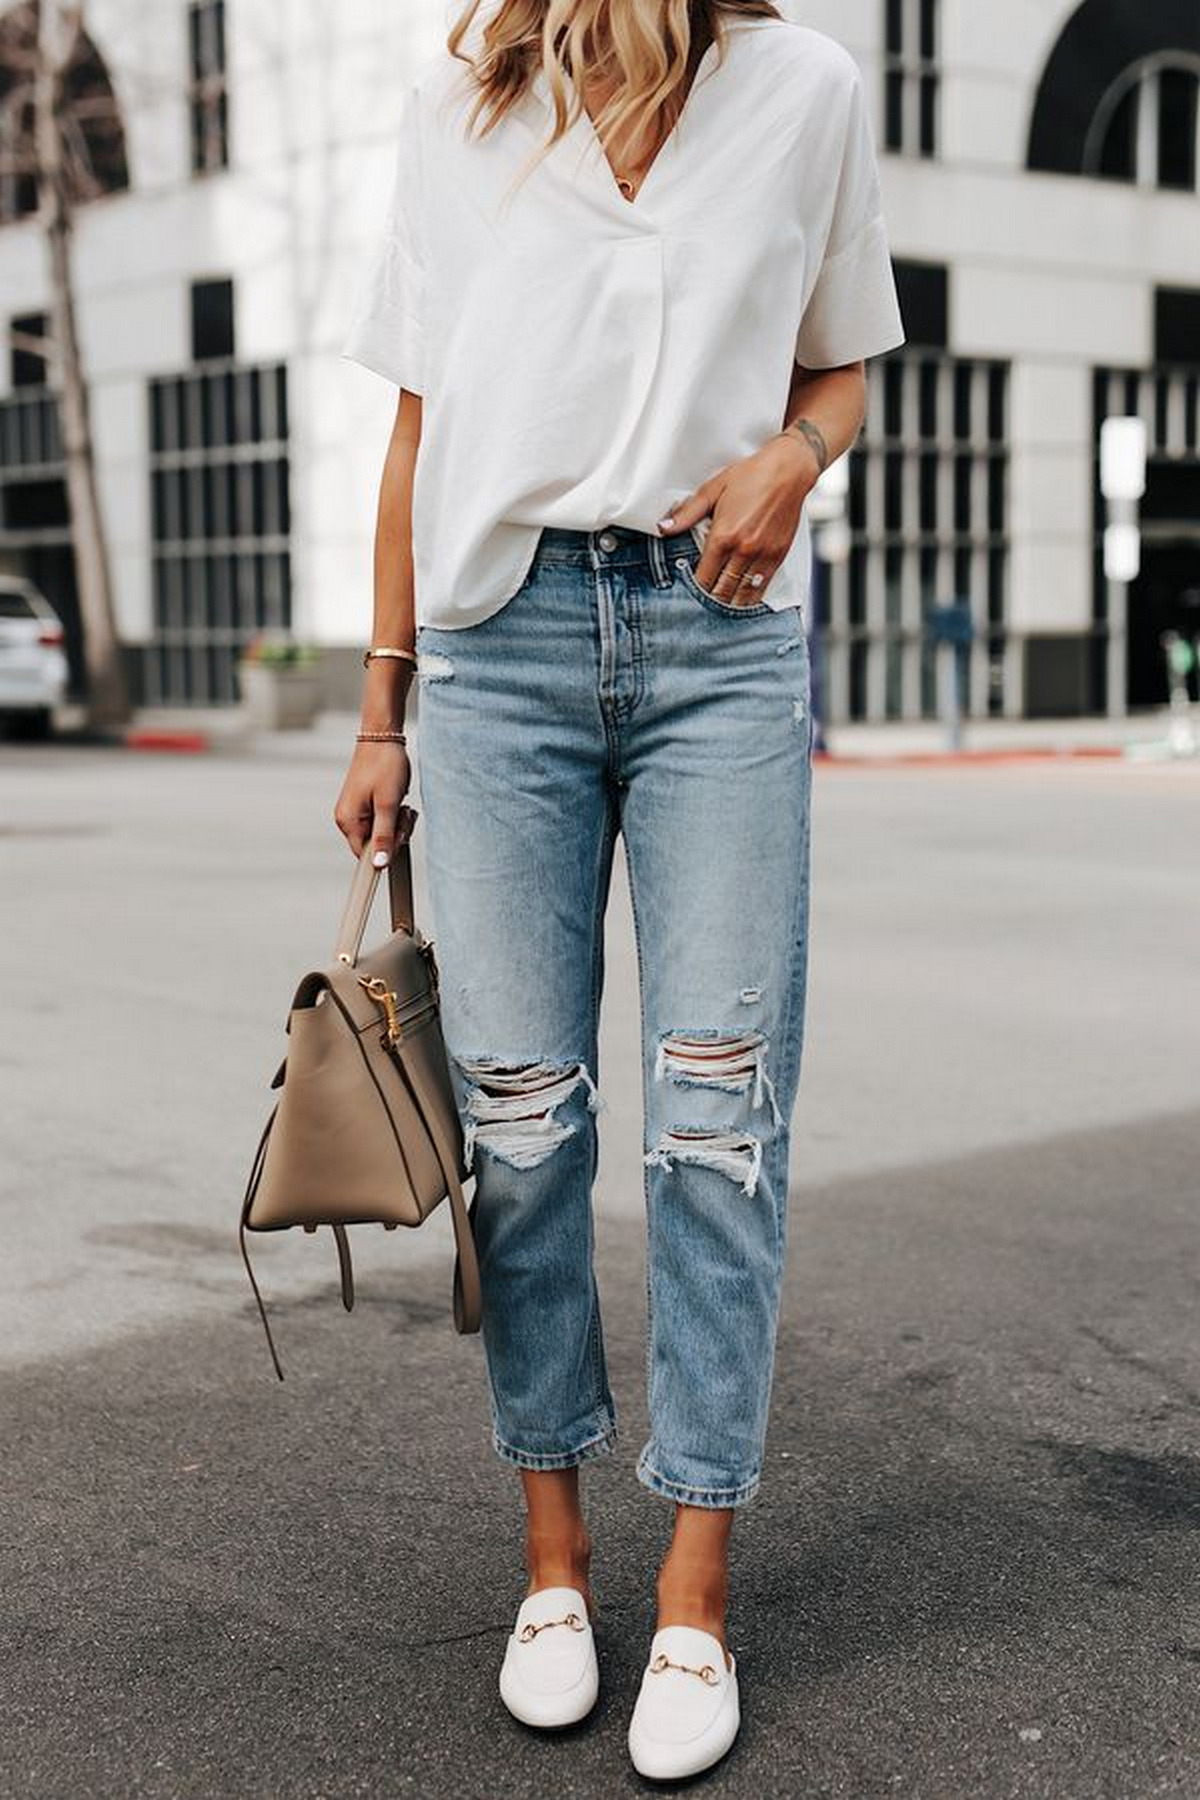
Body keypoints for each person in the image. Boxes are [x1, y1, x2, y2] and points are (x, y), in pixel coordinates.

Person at [335, 0, 905, 1779]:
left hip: (720, 644)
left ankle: (695, 1599)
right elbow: (421, 435)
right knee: (522, 1123)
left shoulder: (805, 89)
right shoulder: (463, 109)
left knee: (719, 1119)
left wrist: (795, 462)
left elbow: (845, 368)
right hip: (496, 654)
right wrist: (380, 704)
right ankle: (557, 1568)